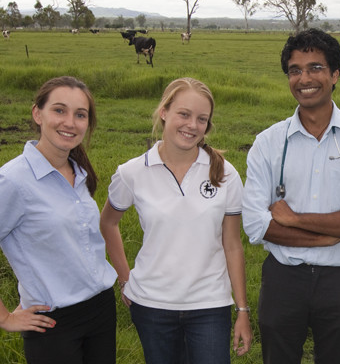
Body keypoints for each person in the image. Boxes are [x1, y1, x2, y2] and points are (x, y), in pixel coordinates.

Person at [241, 28, 340, 364]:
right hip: (283, 279)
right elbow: (255, 223)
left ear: (335, 75)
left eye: (315, 68)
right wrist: (324, 238)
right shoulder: (268, 143)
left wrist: (294, 220)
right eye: (295, 70)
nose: (304, 78)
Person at [0, 76, 118, 364]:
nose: (70, 122)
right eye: (59, 110)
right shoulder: (12, 182)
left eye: (80, 115)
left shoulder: (78, 171)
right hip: (53, 322)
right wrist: (3, 317)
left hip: (101, 308)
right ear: (37, 114)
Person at [99, 77, 252, 363]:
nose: (192, 125)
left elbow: (232, 245)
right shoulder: (132, 172)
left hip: (210, 304)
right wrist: (124, 279)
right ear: (164, 112)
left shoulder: (225, 173)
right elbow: (108, 223)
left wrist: (242, 310)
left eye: (201, 119)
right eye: (184, 114)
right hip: (151, 306)